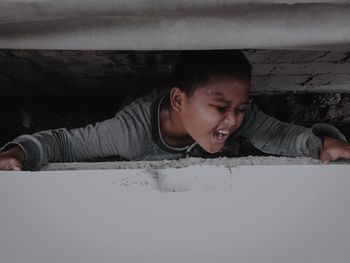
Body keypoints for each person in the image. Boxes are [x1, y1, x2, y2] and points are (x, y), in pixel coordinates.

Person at [1, 50, 349, 171]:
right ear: (179, 101)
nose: (234, 119)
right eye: (221, 107)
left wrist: (320, 144)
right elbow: (64, 143)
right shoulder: (128, 134)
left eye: (242, 107)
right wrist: (18, 151)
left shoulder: (234, 116)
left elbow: (277, 134)